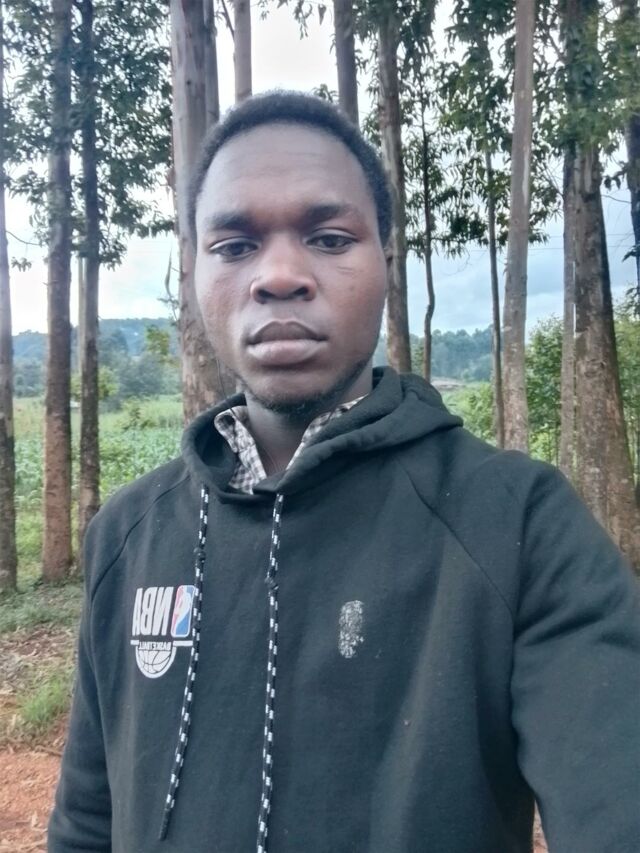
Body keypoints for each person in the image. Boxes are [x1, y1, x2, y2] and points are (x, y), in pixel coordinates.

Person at [48, 91, 640, 853]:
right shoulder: (126, 536)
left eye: (329, 238)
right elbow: (87, 822)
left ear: (386, 264)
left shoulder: (521, 525)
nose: (280, 275)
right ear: (193, 272)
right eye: (235, 245)